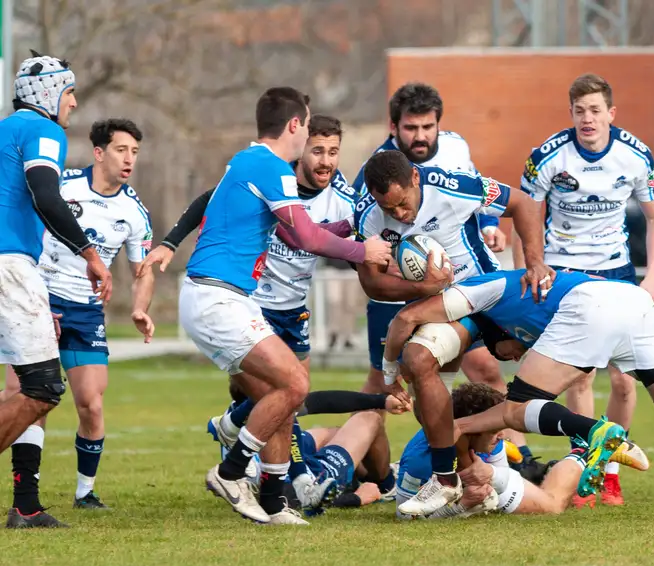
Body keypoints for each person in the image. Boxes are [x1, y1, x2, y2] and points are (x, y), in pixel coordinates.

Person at [383, 268, 654, 520]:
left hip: (593, 304)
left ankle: (597, 433)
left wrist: (391, 372)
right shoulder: (534, 312)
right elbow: (578, 370)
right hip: (634, 303)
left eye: (507, 348)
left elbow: (408, 317)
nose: (516, 353)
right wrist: (460, 426)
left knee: (516, 409)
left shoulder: (482, 291)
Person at [177, 87, 391, 525]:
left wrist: (353, 236)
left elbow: (298, 235)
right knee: (294, 384)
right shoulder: (271, 166)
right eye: (309, 127)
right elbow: (310, 238)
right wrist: (361, 251)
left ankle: (275, 501)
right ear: (295, 126)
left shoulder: (250, 161)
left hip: (222, 297)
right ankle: (231, 470)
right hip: (219, 297)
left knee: (282, 399)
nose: (313, 139)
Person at [351, 83, 541, 474]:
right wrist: (421, 287)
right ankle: (460, 465)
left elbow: (521, 201)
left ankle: (508, 460)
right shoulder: (368, 212)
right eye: (391, 208)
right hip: (428, 303)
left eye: (404, 203)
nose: (401, 215)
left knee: (513, 366)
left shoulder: (449, 183)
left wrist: (535, 263)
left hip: (483, 292)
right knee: (417, 373)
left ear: (416, 181)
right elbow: (370, 282)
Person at [512, 73, 654, 506]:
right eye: (580, 111)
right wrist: (528, 270)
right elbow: (524, 213)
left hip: (616, 272)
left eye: (596, 110)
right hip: (563, 273)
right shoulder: (547, 157)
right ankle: (584, 470)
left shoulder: (635, 155)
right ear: (571, 114)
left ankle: (608, 470)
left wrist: (651, 277)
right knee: (579, 376)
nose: (588, 119)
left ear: (611, 114)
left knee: (623, 381)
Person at [8, 118, 154, 515]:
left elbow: (143, 270)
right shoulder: (61, 186)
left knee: (90, 402)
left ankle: (85, 492)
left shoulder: (133, 211)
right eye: (121, 150)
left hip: (87, 313)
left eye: (135, 152)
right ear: (99, 152)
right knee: (27, 396)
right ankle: (26, 495)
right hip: (39, 299)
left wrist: (140, 307)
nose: (129, 160)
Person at [0, 52, 113, 529]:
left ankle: (25, 505)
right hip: (8, 265)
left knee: (32, 385)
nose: (74, 102)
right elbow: (47, 194)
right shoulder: (43, 131)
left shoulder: (6, 129)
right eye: (69, 92)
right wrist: (89, 253)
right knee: (43, 387)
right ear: (49, 94)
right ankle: (25, 505)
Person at [395, 381, 648, 520]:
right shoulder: (421, 460)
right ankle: (584, 449)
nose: (502, 434)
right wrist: (462, 507)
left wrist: (490, 479)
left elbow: (501, 474)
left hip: (492, 477)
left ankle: (584, 451)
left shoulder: (485, 438)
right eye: (494, 431)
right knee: (555, 502)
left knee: (553, 504)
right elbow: (404, 513)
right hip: (470, 478)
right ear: (470, 429)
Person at [207, 386, 410, 514]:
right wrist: (355, 499)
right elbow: (290, 497)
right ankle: (386, 485)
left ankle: (360, 475)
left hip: (294, 455)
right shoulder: (272, 406)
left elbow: (320, 401)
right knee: (370, 419)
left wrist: (381, 401)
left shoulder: (245, 406)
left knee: (331, 433)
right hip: (314, 475)